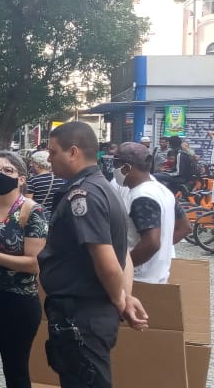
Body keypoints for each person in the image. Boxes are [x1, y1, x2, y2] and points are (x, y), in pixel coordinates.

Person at [39, 122, 148, 388]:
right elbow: (124, 255)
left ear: (73, 152)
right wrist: (124, 295)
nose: (49, 159)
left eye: (53, 152)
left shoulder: (83, 195)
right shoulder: (104, 188)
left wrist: (120, 300)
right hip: (87, 314)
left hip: (82, 315)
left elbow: (107, 260)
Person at [0, 151, 47, 388]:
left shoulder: (31, 211)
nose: (1, 175)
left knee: (15, 370)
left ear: (22, 178)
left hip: (17, 302)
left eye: (8, 170)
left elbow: (35, 263)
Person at [113, 142, 178, 283]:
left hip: (139, 279)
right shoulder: (163, 191)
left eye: (115, 164)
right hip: (158, 277)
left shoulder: (141, 196)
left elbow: (152, 243)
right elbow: (184, 227)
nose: (114, 170)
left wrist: (122, 268)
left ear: (126, 168)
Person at [26, 151, 66, 221]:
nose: (31, 165)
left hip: (39, 219)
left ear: (37, 164)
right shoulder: (60, 179)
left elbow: (27, 204)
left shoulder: (32, 181)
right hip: (55, 218)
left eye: (32, 163)